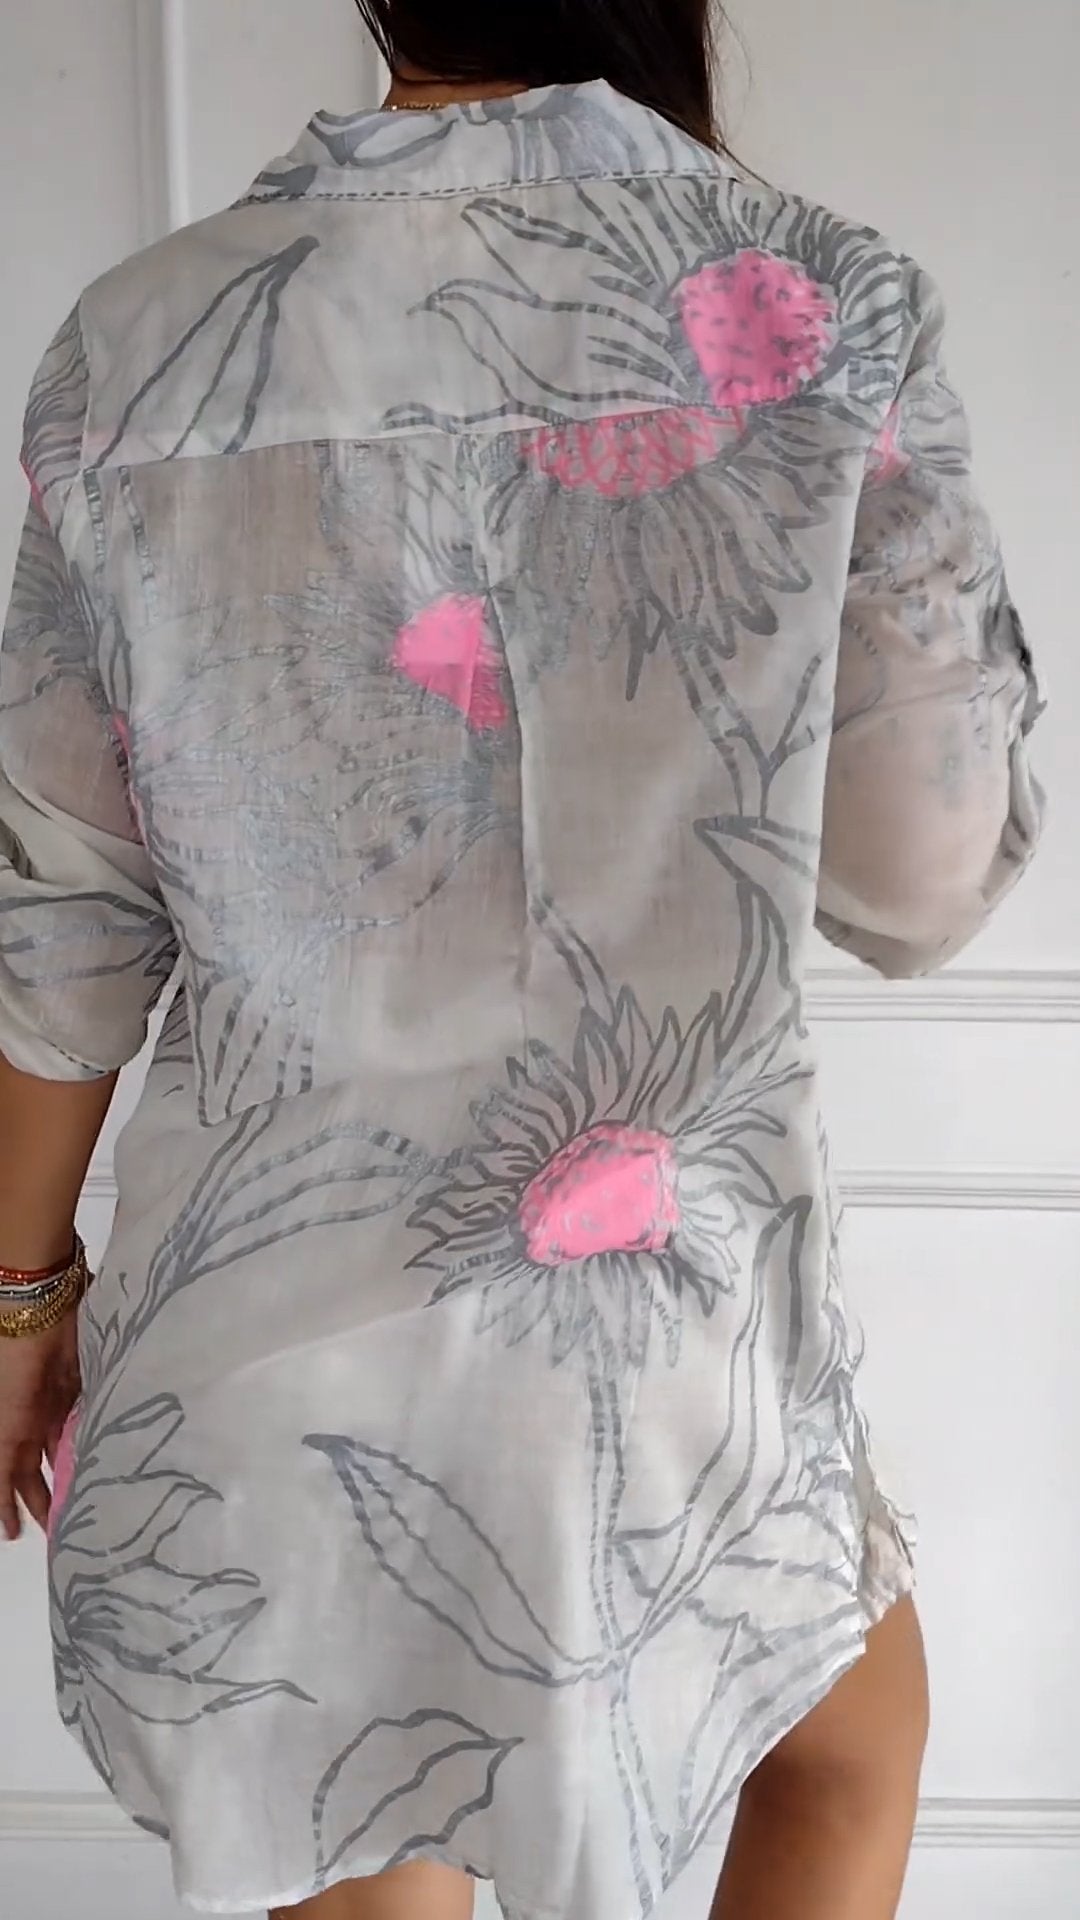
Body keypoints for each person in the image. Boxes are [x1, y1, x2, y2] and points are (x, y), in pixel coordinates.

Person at [0, 2, 1043, 1917]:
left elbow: (62, 916)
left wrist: (15, 1301)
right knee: (839, 1749)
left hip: (264, 1348)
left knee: (365, 1815)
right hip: (663, 1366)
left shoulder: (135, 349)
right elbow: (920, 873)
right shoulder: (821, 306)